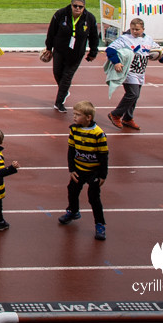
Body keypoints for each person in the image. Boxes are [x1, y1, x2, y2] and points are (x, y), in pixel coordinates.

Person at [105, 18, 163, 131]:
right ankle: (115, 114)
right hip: (129, 71)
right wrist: (116, 62)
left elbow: (157, 50)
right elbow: (110, 49)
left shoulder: (148, 39)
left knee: (135, 96)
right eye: (132, 29)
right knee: (133, 94)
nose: (134, 31)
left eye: (137, 29)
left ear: (143, 29)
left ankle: (128, 118)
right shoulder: (125, 39)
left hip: (140, 72)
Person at [58, 100, 109, 240]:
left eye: (78, 115)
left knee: (94, 198)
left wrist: (102, 175)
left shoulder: (98, 134)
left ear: (88, 117)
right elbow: (71, 150)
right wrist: (72, 169)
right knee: (72, 190)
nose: (74, 117)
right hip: (79, 170)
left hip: (94, 172)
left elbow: (104, 155)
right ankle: (73, 211)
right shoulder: (74, 130)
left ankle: (100, 224)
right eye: (74, 114)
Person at [43, 0, 98, 113]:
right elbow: (51, 31)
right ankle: (64, 91)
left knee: (67, 77)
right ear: (71, 5)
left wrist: (93, 52)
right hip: (59, 50)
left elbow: (93, 36)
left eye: (80, 7)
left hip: (76, 53)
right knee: (57, 73)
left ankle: (59, 102)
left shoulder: (90, 19)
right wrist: (49, 47)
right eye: (75, 6)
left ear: (84, 7)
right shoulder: (60, 14)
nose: (77, 8)